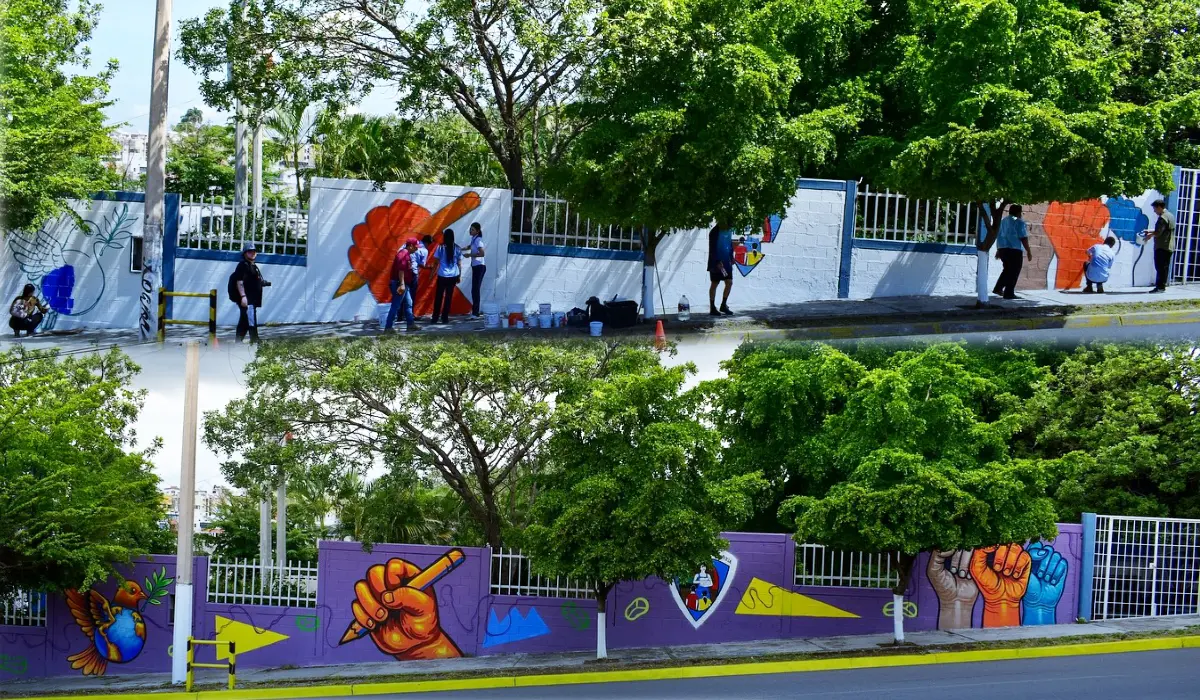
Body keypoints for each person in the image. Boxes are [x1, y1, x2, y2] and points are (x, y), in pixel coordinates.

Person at [992, 204, 1032, 299]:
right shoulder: (1019, 222)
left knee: (1007, 270)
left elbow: (999, 236)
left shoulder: (1003, 221)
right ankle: (1009, 293)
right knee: (1014, 271)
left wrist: (998, 250)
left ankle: (998, 288)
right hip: (1014, 250)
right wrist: (1029, 251)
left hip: (1003, 249)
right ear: (1019, 212)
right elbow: (1023, 238)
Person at [232, 242, 268, 343]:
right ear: (244, 253)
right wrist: (243, 296)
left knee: (246, 320)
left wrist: (262, 283)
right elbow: (239, 282)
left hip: (252, 299)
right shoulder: (243, 265)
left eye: (254, 252)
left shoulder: (252, 265)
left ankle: (240, 341)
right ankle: (254, 339)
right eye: (249, 252)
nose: (252, 253)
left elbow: (252, 280)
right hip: (247, 299)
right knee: (249, 319)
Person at [385, 238, 419, 332]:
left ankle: (410, 324)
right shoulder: (403, 254)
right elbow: (401, 270)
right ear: (410, 246)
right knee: (396, 305)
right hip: (399, 283)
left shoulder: (406, 254)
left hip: (404, 284)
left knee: (409, 303)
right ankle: (388, 327)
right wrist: (402, 284)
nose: (417, 249)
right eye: (416, 247)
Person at [431, 228, 463, 325]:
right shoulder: (457, 248)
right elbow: (459, 264)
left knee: (439, 297)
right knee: (448, 297)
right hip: (453, 275)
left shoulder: (440, 247)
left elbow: (436, 262)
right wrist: (459, 276)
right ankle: (445, 318)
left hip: (442, 275)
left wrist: (432, 274)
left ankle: (435, 318)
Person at [1144, 199, 1176, 293]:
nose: (1154, 211)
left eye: (1155, 208)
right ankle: (1162, 286)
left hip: (1162, 246)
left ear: (1159, 207)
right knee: (1164, 267)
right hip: (1169, 245)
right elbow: (1164, 229)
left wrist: (1150, 235)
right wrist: (1150, 231)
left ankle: (1160, 287)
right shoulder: (1170, 215)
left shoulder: (1163, 217)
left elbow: (1158, 232)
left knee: (1160, 267)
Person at [707, 224, 734, 316]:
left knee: (729, 282)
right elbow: (712, 248)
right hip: (717, 263)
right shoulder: (715, 231)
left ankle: (723, 305)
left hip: (726, 262)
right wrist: (716, 261)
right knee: (715, 283)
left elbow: (729, 244)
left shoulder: (729, 229)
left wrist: (731, 256)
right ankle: (712, 307)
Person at [465, 222, 486, 317]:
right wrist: (461, 249)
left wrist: (470, 255)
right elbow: (470, 246)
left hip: (479, 266)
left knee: (475, 290)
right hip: (475, 266)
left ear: (477, 231)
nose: (470, 230)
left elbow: (482, 253)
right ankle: (475, 311)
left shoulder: (478, 240)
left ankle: (475, 312)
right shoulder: (473, 239)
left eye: (472, 229)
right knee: (474, 289)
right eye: (470, 229)